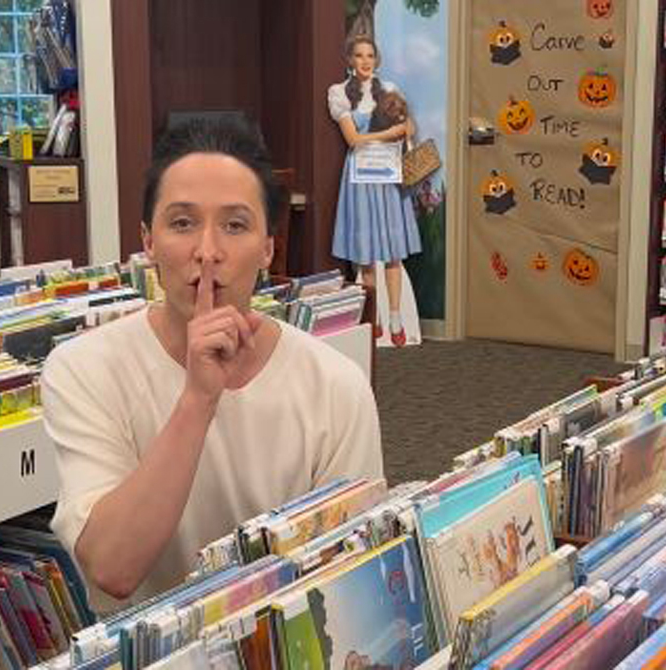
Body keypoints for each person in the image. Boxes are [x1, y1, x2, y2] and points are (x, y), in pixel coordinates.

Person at [41, 118, 385, 613]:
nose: (207, 252)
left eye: (235, 225)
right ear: (148, 242)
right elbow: (113, 569)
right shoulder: (84, 369)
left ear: (268, 247)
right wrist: (198, 398)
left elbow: (353, 578)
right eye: (182, 223)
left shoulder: (334, 385)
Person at [328, 35, 422, 348]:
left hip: (388, 176)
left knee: (393, 254)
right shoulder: (339, 93)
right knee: (367, 258)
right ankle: (376, 319)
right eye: (359, 55)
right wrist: (389, 133)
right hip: (361, 178)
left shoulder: (390, 89)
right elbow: (353, 139)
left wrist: (403, 130)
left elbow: (408, 128)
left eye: (370, 55)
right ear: (349, 60)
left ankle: (395, 319)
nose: (365, 61)